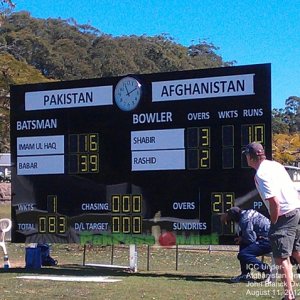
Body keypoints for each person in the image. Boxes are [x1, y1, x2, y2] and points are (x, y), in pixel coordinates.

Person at [243, 142, 300, 300]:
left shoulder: (261, 174)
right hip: (296, 209)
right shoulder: (275, 165)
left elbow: (274, 202)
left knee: (281, 257)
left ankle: (289, 295)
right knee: (295, 251)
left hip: (284, 214)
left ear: (250, 156)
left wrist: (273, 223)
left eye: (246, 155)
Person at [221, 206, 272, 283]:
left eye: (231, 219)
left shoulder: (244, 220)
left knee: (243, 254)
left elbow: (251, 239)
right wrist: (242, 238)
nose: (233, 222)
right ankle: (245, 275)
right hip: (269, 238)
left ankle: (265, 269)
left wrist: (242, 238)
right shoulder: (247, 213)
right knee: (243, 244)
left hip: (268, 241)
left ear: (235, 217)